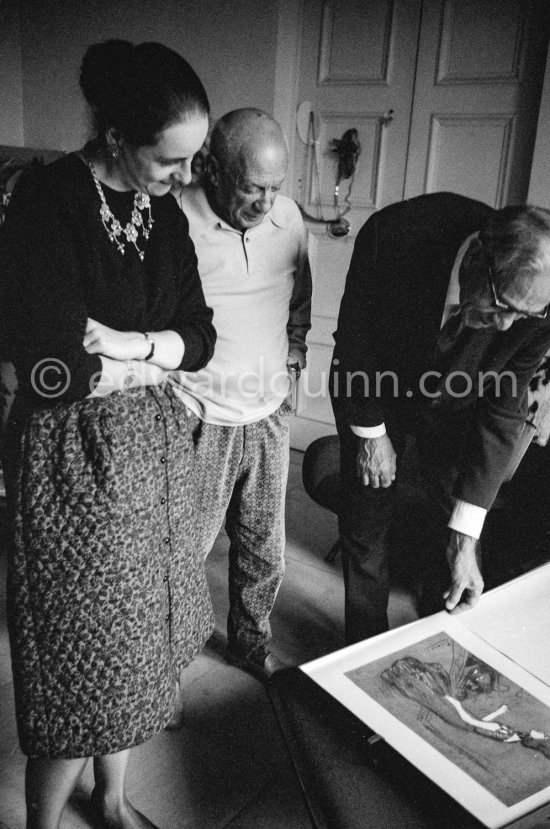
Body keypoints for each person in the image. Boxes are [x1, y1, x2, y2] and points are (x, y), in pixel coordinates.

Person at [0, 40, 216, 829]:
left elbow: (201, 336)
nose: (184, 178)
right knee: (78, 661)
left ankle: (113, 798)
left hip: (151, 453)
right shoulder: (48, 201)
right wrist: (151, 360)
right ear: (118, 136)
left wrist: (130, 349)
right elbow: (50, 365)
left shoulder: (163, 212)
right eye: (171, 160)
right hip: (69, 461)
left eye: (192, 160)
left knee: (135, 647)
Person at [330, 192, 550, 644]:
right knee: (367, 519)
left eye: (524, 315)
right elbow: (356, 338)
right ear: (476, 259)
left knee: (450, 526)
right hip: (378, 390)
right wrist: (372, 434)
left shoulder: (538, 307)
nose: (507, 326)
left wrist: (466, 535)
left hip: (459, 406)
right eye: (502, 306)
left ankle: (437, 639)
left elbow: (503, 409)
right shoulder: (394, 237)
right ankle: (363, 645)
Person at [172, 108, 311, 680]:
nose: (266, 202)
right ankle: (167, 662)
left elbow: (299, 296)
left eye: (276, 187)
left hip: (268, 412)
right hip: (199, 411)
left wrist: (295, 352)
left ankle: (250, 645)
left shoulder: (289, 217)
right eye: (253, 187)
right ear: (215, 170)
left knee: (263, 547)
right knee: (184, 551)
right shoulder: (174, 218)